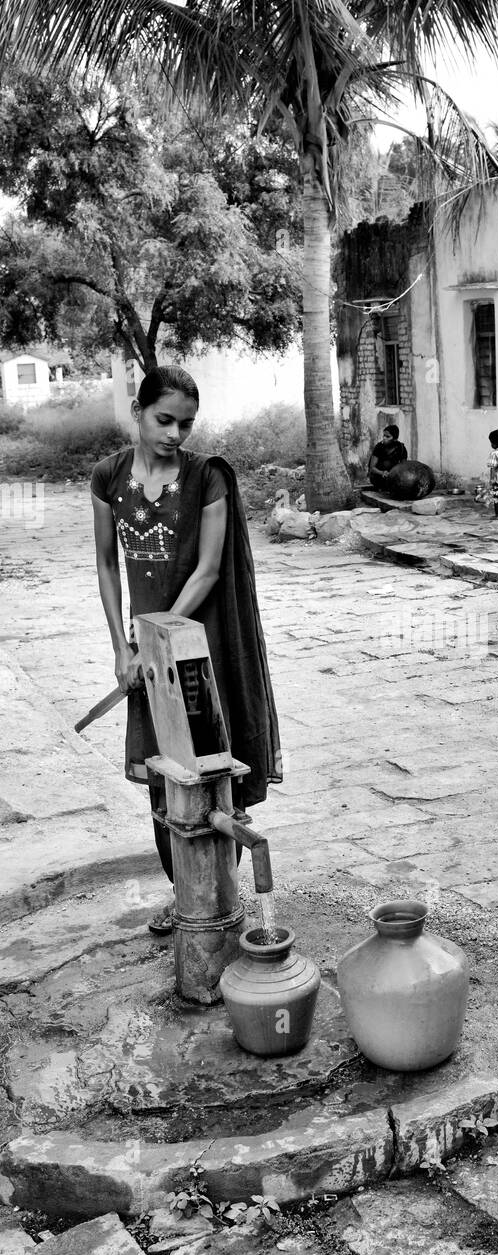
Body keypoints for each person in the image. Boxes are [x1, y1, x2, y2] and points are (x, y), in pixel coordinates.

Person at [90, 366, 282, 933]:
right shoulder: (108, 477)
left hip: (203, 645)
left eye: (187, 423)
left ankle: (220, 898)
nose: (176, 433)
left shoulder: (208, 477)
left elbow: (209, 569)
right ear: (138, 411)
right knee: (161, 769)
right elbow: (106, 563)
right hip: (146, 652)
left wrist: (159, 637)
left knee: (208, 765)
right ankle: (188, 898)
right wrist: (124, 650)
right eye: (164, 419)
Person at [368, 424, 408, 492]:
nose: (384, 438)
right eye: (384, 435)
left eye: (387, 436)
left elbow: (403, 467)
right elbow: (372, 468)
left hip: (393, 477)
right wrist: (382, 473)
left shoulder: (401, 448)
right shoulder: (379, 447)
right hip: (378, 477)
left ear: (395, 439)